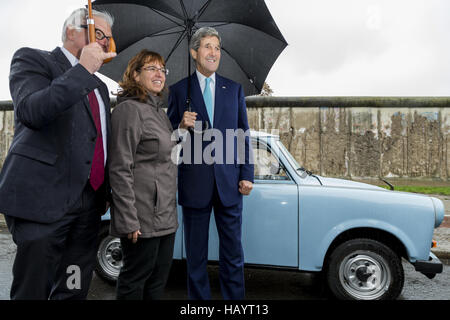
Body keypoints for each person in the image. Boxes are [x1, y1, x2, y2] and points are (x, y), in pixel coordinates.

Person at [0, 8, 116, 300]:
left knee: (73, 286)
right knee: (33, 290)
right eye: (99, 34)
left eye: (109, 38)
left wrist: (104, 193)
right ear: (72, 31)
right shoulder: (33, 60)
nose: (105, 43)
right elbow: (33, 111)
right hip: (43, 204)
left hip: (88, 208)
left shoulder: (100, 87)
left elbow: (99, 140)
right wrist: (81, 71)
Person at [167, 27, 254, 300]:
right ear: (194, 53)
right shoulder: (180, 90)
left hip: (230, 184)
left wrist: (247, 173)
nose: (213, 52)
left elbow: (243, 133)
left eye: (217, 47)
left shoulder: (234, 89)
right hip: (194, 185)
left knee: (233, 255)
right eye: (207, 46)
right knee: (196, 259)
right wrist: (180, 126)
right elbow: (168, 141)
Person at [109, 49, 178, 300]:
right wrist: (128, 219)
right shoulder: (129, 110)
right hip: (142, 218)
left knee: (157, 284)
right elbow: (119, 167)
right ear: (136, 75)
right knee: (134, 282)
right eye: (151, 68)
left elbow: (162, 156)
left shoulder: (160, 112)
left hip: (166, 217)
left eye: (162, 69)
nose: (159, 73)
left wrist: (182, 129)